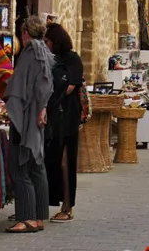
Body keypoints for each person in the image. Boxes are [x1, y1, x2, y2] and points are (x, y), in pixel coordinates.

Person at [5, 16, 55, 233]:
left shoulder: (30, 53)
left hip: (26, 116)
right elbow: (45, 83)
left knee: (19, 167)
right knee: (36, 166)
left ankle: (26, 218)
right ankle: (39, 217)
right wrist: (43, 107)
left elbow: (20, 88)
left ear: (25, 33)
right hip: (36, 115)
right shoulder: (44, 51)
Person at [43, 23, 83, 223]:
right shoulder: (52, 60)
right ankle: (54, 203)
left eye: (48, 41)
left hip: (67, 118)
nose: (46, 45)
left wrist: (49, 99)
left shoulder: (73, 60)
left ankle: (67, 207)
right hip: (54, 118)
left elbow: (69, 87)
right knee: (54, 162)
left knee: (66, 163)